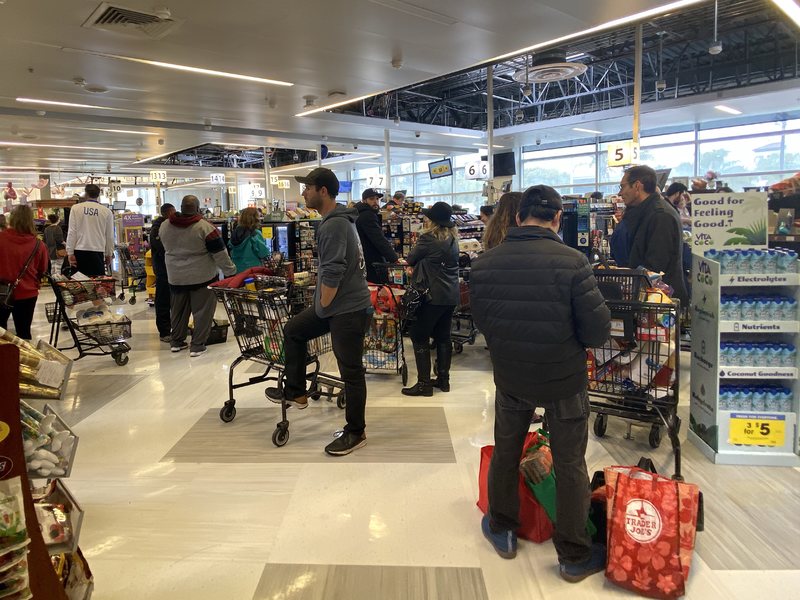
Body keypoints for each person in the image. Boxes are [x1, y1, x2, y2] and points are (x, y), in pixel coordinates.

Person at [470, 184, 611, 582]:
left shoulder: (484, 265)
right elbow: (597, 331)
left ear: (517, 217)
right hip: (563, 379)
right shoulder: (573, 262)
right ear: (557, 219)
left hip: (512, 375)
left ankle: (502, 529)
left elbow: (484, 323)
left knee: (506, 452)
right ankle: (572, 553)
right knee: (569, 462)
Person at [265, 168, 372, 456]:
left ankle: (356, 432)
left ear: (323, 191)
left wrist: (323, 306)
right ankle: (296, 391)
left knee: (351, 371)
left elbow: (334, 270)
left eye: (308, 188)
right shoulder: (335, 221)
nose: (303, 193)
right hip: (337, 307)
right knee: (294, 330)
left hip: (348, 309)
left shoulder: (334, 225)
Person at [159, 195, 236, 357]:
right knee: (202, 312)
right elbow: (220, 254)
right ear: (197, 208)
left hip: (175, 276)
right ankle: (197, 345)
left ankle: (177, 341)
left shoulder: (165, 225)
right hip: (202, 277)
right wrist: (231, 272)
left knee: (178, 311)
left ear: (180, 207)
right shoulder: (205, 227)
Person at [401, 201, 460, 397]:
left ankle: (424, 384)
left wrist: (412, 265)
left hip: (431, 295)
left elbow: (411, 259)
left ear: (432, 221)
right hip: (450, 295)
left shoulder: (427, 239)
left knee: (419, 335)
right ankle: (444, 380)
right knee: (443, 337)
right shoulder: (453, 240)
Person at [619, 166, 689, 305]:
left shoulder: (660, 215)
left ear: (637, 186)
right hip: (655, 296)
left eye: (623, 186)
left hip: (662, 301)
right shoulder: (648, 212)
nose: (620, 192)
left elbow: (656, 266)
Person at [0, 205, 49, 340]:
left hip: (2, 291)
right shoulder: (39, 245)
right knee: (23, 332)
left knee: (0, 332)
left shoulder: (1, 239)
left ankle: (4, 359)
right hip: (28, 293)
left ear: (12, 219)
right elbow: (42, 269)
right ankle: (23, 359)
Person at [65, 184, 114, 277]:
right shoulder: (107, 212)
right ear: (98, 195)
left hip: (79, 251)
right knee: (98, 285)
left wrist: (70, 252)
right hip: (98, 251)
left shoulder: (75, 209)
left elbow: (72, 232)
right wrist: (109, 254)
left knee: (80, 285)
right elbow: (109, 236)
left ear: (86, 194)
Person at [354, 188, 398, 284]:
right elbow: (379, 239)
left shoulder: (358, 213)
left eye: (377, 199)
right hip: (371, 260)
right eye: (372, 199)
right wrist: (394, 259)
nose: (375, 202)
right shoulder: (367, 215)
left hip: (361, 260)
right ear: (364, 200)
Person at [150, 203, 176, 343]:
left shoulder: (169, 225)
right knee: (163, 300)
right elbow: (163, 248)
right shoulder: (157, 228)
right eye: (173, 212)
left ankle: (175, 327)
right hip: (163, 270)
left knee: (174, 300)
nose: (175, 214)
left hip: (171, 269)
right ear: (166, 213)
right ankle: (164, 331)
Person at [228, 207, 270, 273]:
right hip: (253, 270)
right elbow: (263, 253)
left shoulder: (235, 232)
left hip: (237, 269)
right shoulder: (255, 233)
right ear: (256, 219)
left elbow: (231, 250)